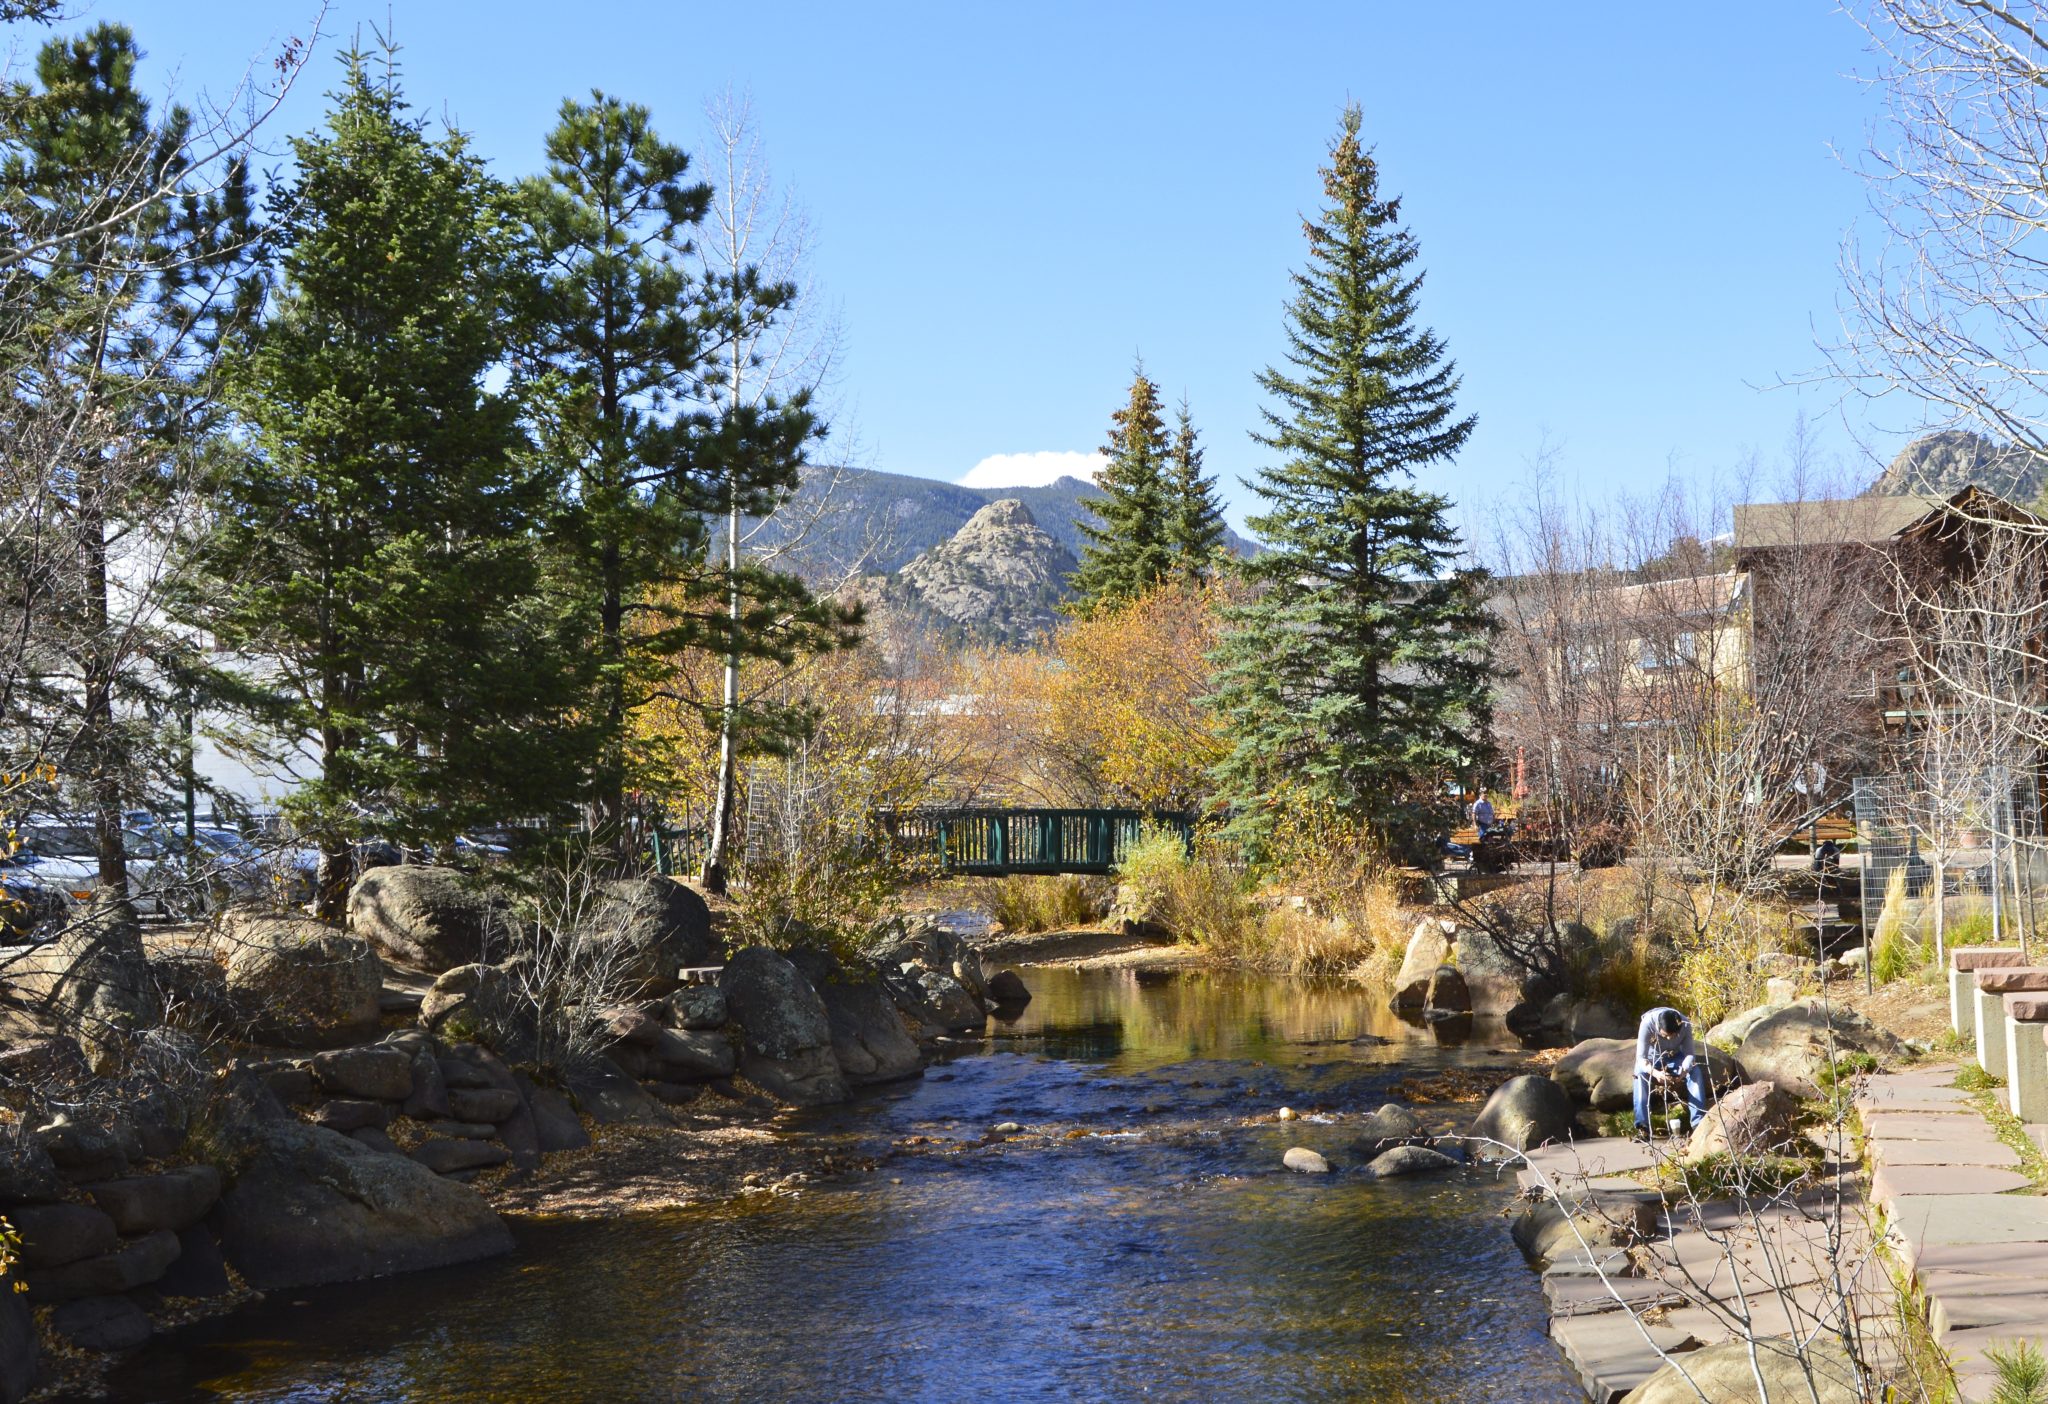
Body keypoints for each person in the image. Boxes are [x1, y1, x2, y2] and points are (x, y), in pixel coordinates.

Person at [1633, 1006, 1710, 1138]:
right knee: (1639, 1075)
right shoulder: (1647, 1023)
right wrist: (1656, 1073)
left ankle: (1698, 1122)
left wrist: (1684, 1072)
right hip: (1653, 1058)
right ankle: (1643, 1126)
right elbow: (1641, 1059)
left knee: (1695, 1072)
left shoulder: (1684, 1024)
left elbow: (1690, 1054)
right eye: (1665, 1035)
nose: (1668, 1039)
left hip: (1675, 1056)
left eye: (1672, 1036)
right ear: (1658, 1027)